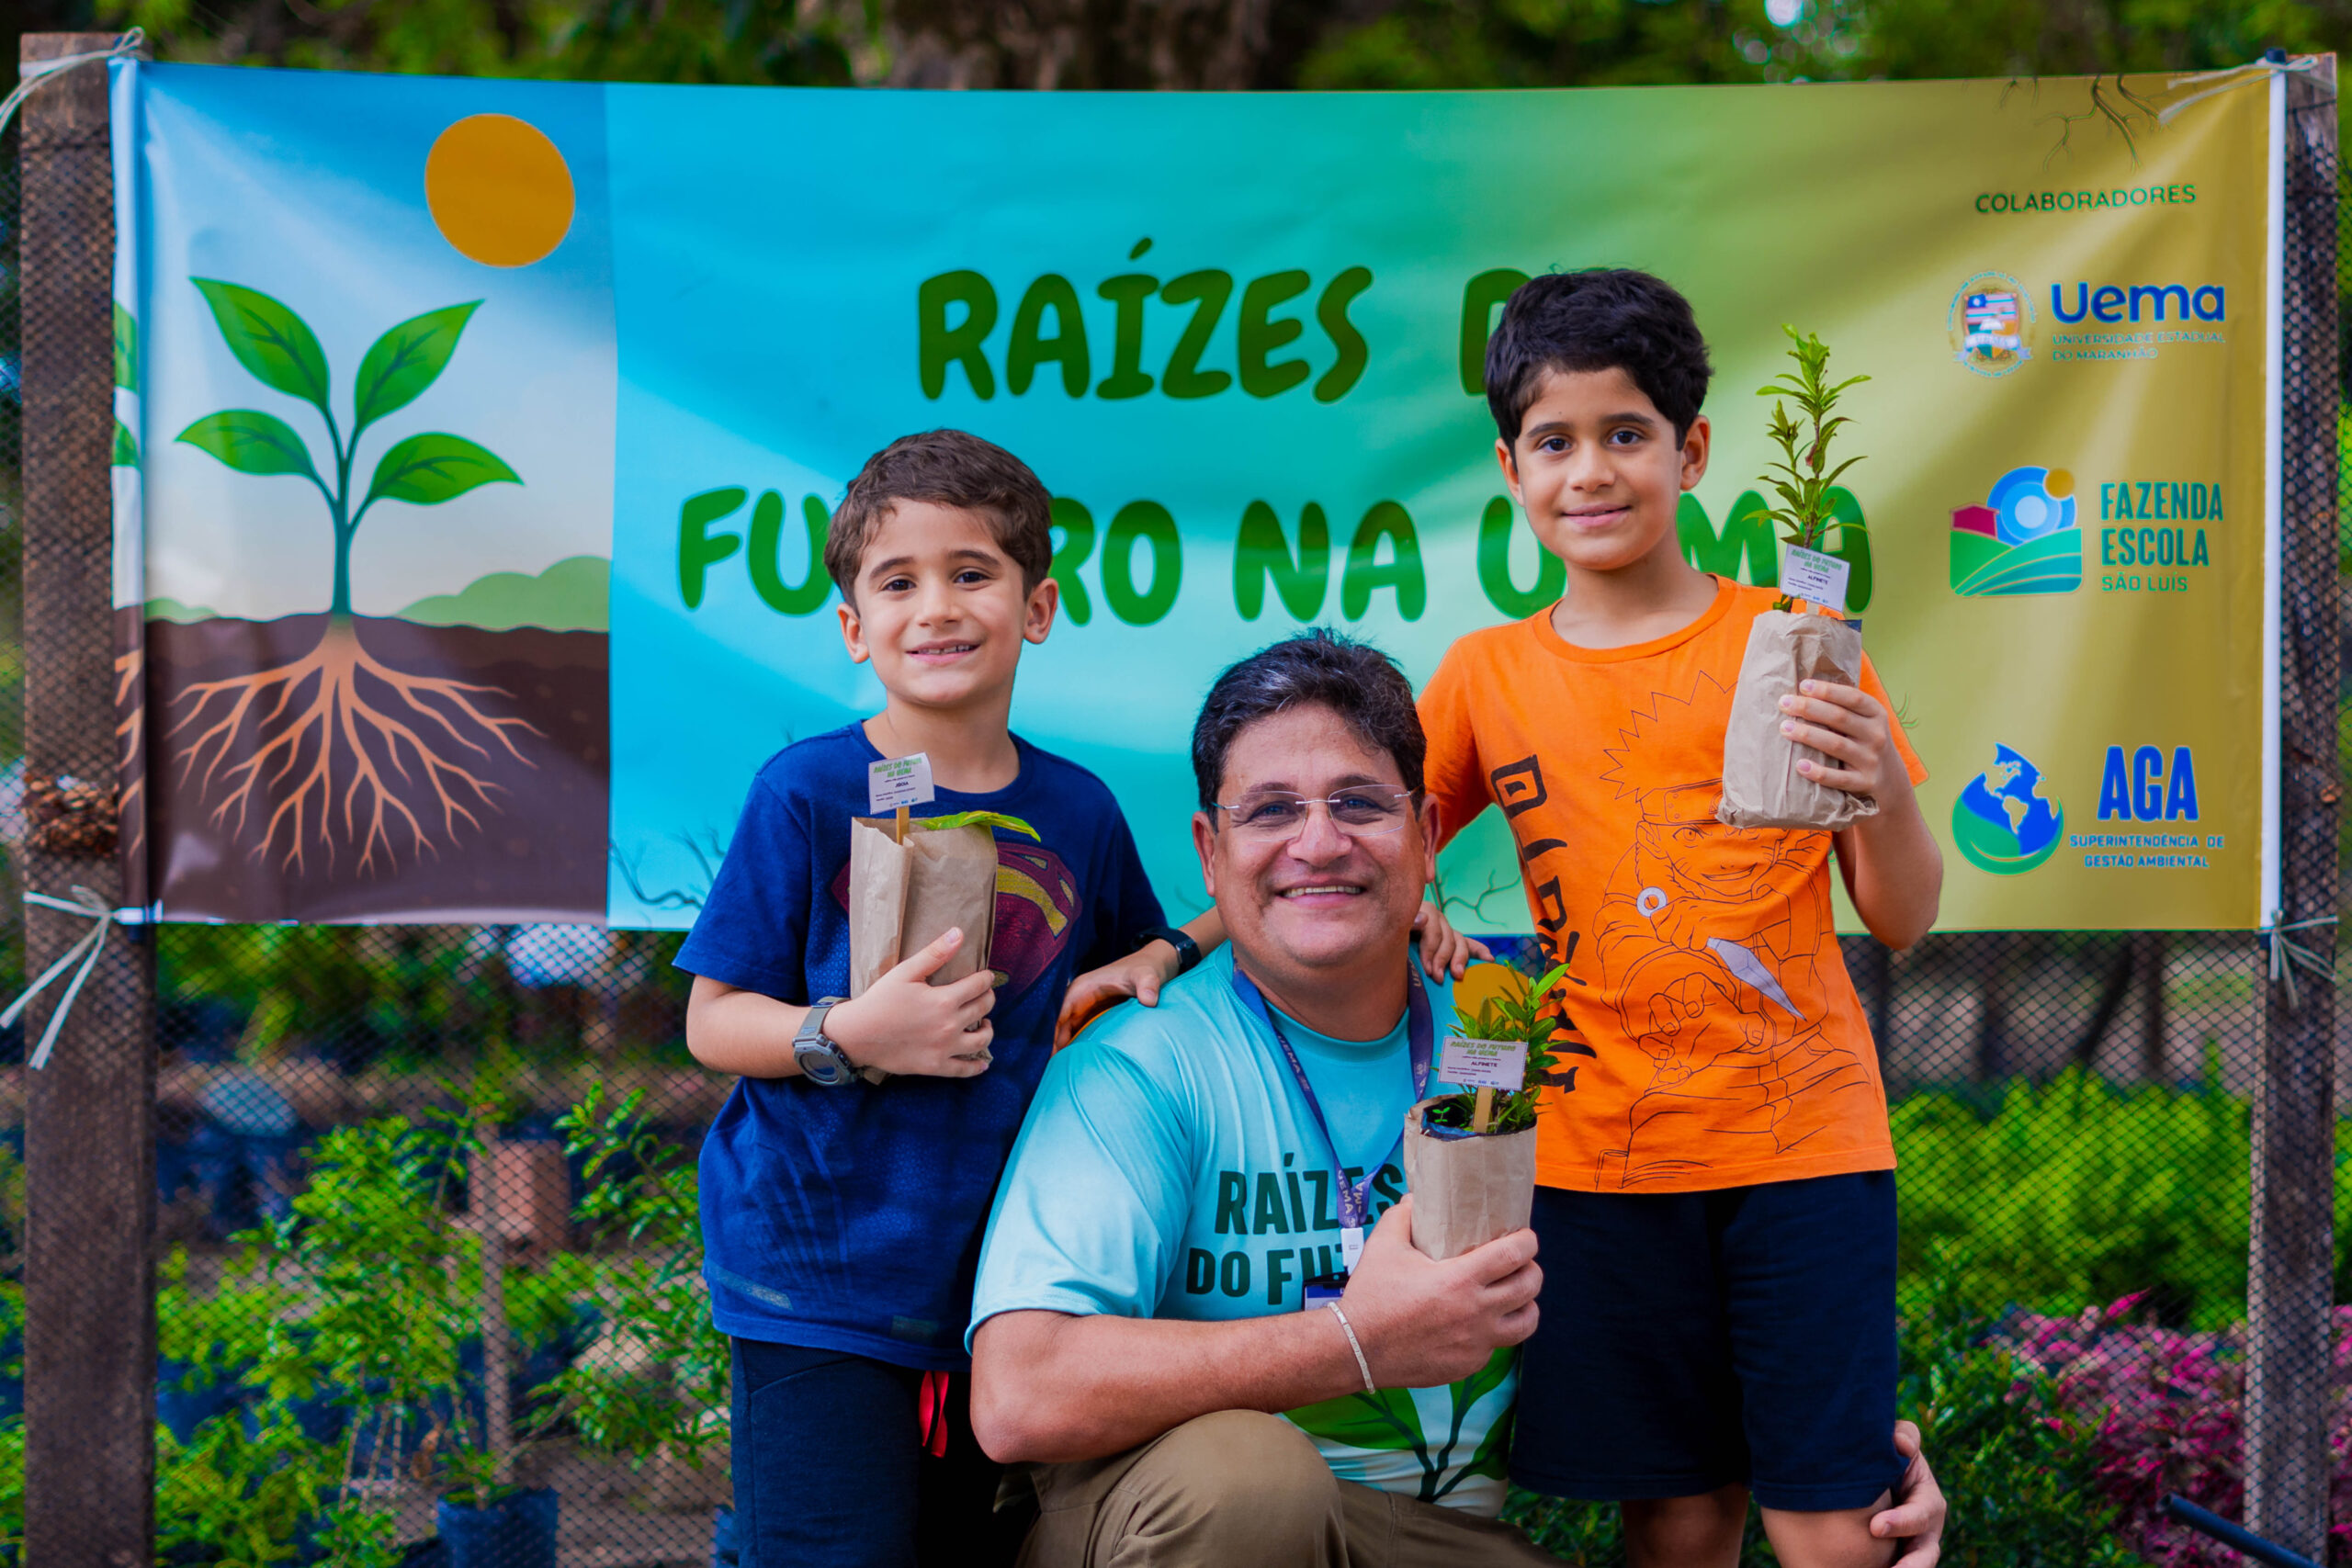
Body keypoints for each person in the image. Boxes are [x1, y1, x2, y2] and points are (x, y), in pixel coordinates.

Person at [972, 631, 1947, 1568]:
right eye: (1270, 811)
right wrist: (1355, 1341)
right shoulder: (1141, 1062)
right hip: (1187, 1524)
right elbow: (1018, 1396)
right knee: (1250, 1485)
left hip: (1430, 1539)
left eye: (1359, 803)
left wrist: (1850, 1448)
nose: (1319, 842)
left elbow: (1674, 1295)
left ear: (1428, 833)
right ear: (1209, 848)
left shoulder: (1517, 1040)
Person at [1417, 270, 1946, 1568]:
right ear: (1511, 468)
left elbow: (1902, 915)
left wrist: (1878, 776)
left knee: (1833, 1528)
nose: (1591, 470)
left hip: (1806, 1152)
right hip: (1596, 1163)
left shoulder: (1794, 640)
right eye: (1554, 441)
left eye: (1625, 433)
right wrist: (1411, 907)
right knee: (1678, 1516)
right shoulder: (1485, 673)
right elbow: (1368, 842)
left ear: (1690, 450)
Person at [675, 430, 1171, 1568]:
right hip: (815, 1279)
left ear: (1036, 607)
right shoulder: (804, 791)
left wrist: (1152, 961)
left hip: (998, 1290)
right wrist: (848, 1034)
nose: (936, 607)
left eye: (971, 572)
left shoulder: (1080, 811)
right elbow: (713, 1020)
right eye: (897, 582)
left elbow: (1131, 961)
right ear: (854, 626)